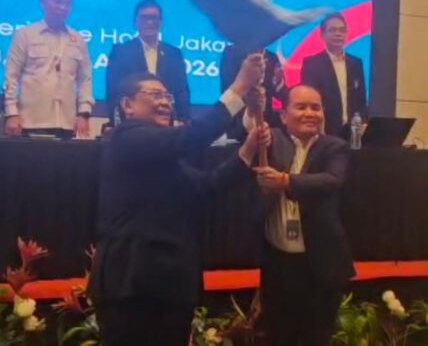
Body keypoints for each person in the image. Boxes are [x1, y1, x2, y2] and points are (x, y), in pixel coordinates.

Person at [88, 54, 270, 346]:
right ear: (127, 105)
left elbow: (208, 187)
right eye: (154, 95)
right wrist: (239, 87)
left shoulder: (165, 155)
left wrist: (248, 150)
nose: (165, 102)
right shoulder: (126, 139)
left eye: (167, 96)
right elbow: (192, 136)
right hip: (131, 285)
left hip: (171, 285)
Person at [246, 84, 354, 346]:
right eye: (301, 107)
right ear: (284, 115)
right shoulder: (272, 140)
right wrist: (253, 107)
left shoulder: (335, 147)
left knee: (316, 337)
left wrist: (285, 181)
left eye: (315, 107)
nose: (309, 113)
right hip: (278, 264)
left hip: (320, 263)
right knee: (277, 336)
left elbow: (332, 180)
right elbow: (252, 131)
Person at [3, 0, 93, 140]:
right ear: (43, 2)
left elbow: (85, 80)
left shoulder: (78, 39)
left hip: (67, 123)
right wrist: (12, 113)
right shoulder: (25, 34)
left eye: (67, 4)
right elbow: (11, 77)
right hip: (31, 122)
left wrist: (84, 114)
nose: (63, 7)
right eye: (57, 2)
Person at [106, 0, 190, 125]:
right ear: (135, 21)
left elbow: (182, 91)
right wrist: (115, 123)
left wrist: (184, 120)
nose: (150, 22)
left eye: (154, 18)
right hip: (133, 123)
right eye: (144, 18)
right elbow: (113, 91)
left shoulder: (174, 54)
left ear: (161, 22)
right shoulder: (121, 52)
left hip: (166, 123)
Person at [300, 12, 367, 136]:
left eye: (342, 30)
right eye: (333, 30)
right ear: (322, 35)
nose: (338, 34)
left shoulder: (356, 63)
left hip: (353, 133)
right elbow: (308, 100)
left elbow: (361, 100)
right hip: (324, 133)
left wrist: (363, 123)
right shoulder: (312, 64)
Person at [220, 44, 288, 138]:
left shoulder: (272, 57)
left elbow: (278, 94)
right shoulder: (231, 53)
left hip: (266, 126)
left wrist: (279, 83)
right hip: (237, 123)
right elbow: (226, 87)